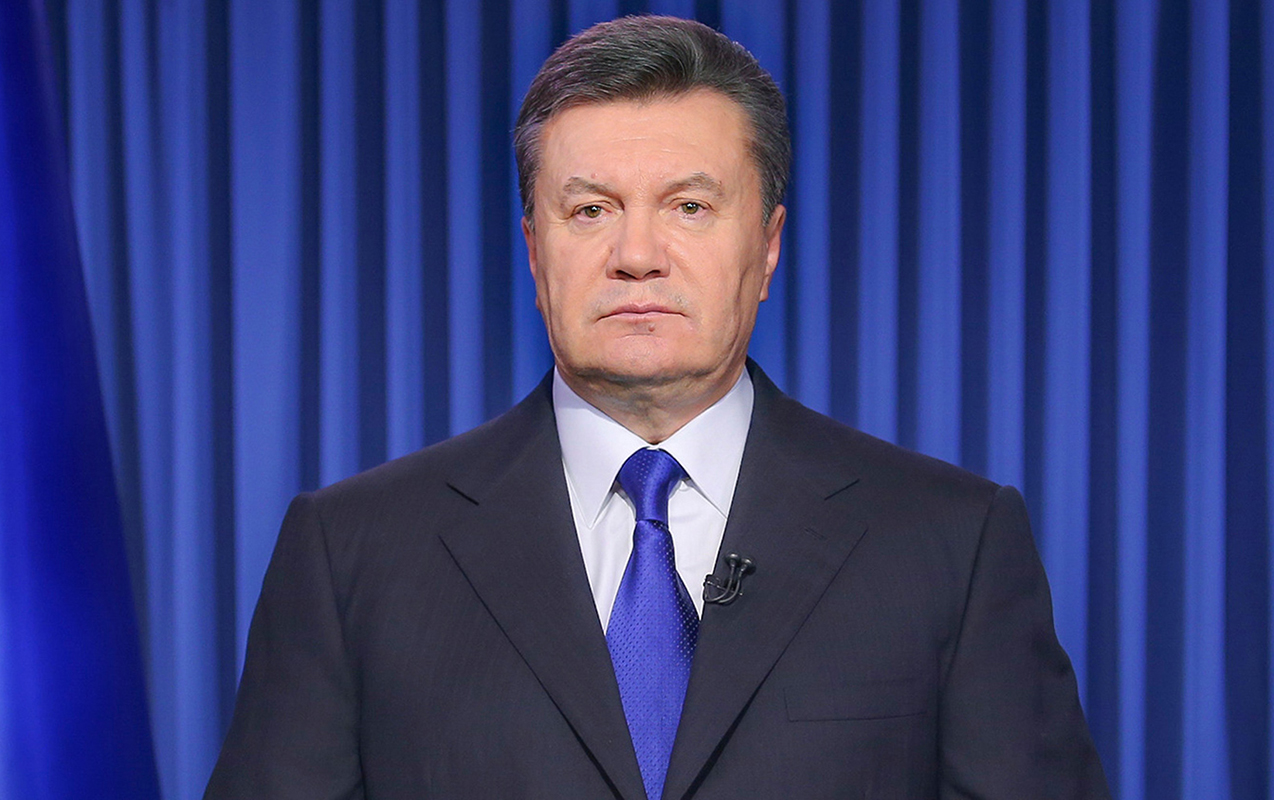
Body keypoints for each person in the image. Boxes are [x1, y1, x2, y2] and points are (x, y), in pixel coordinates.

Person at [206, 15, 1110, 799]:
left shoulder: (952, 543)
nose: (637, 255)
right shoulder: (351, 553)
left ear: (768, 245)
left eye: (689, 206)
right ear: (534, 250)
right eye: (591, 210)